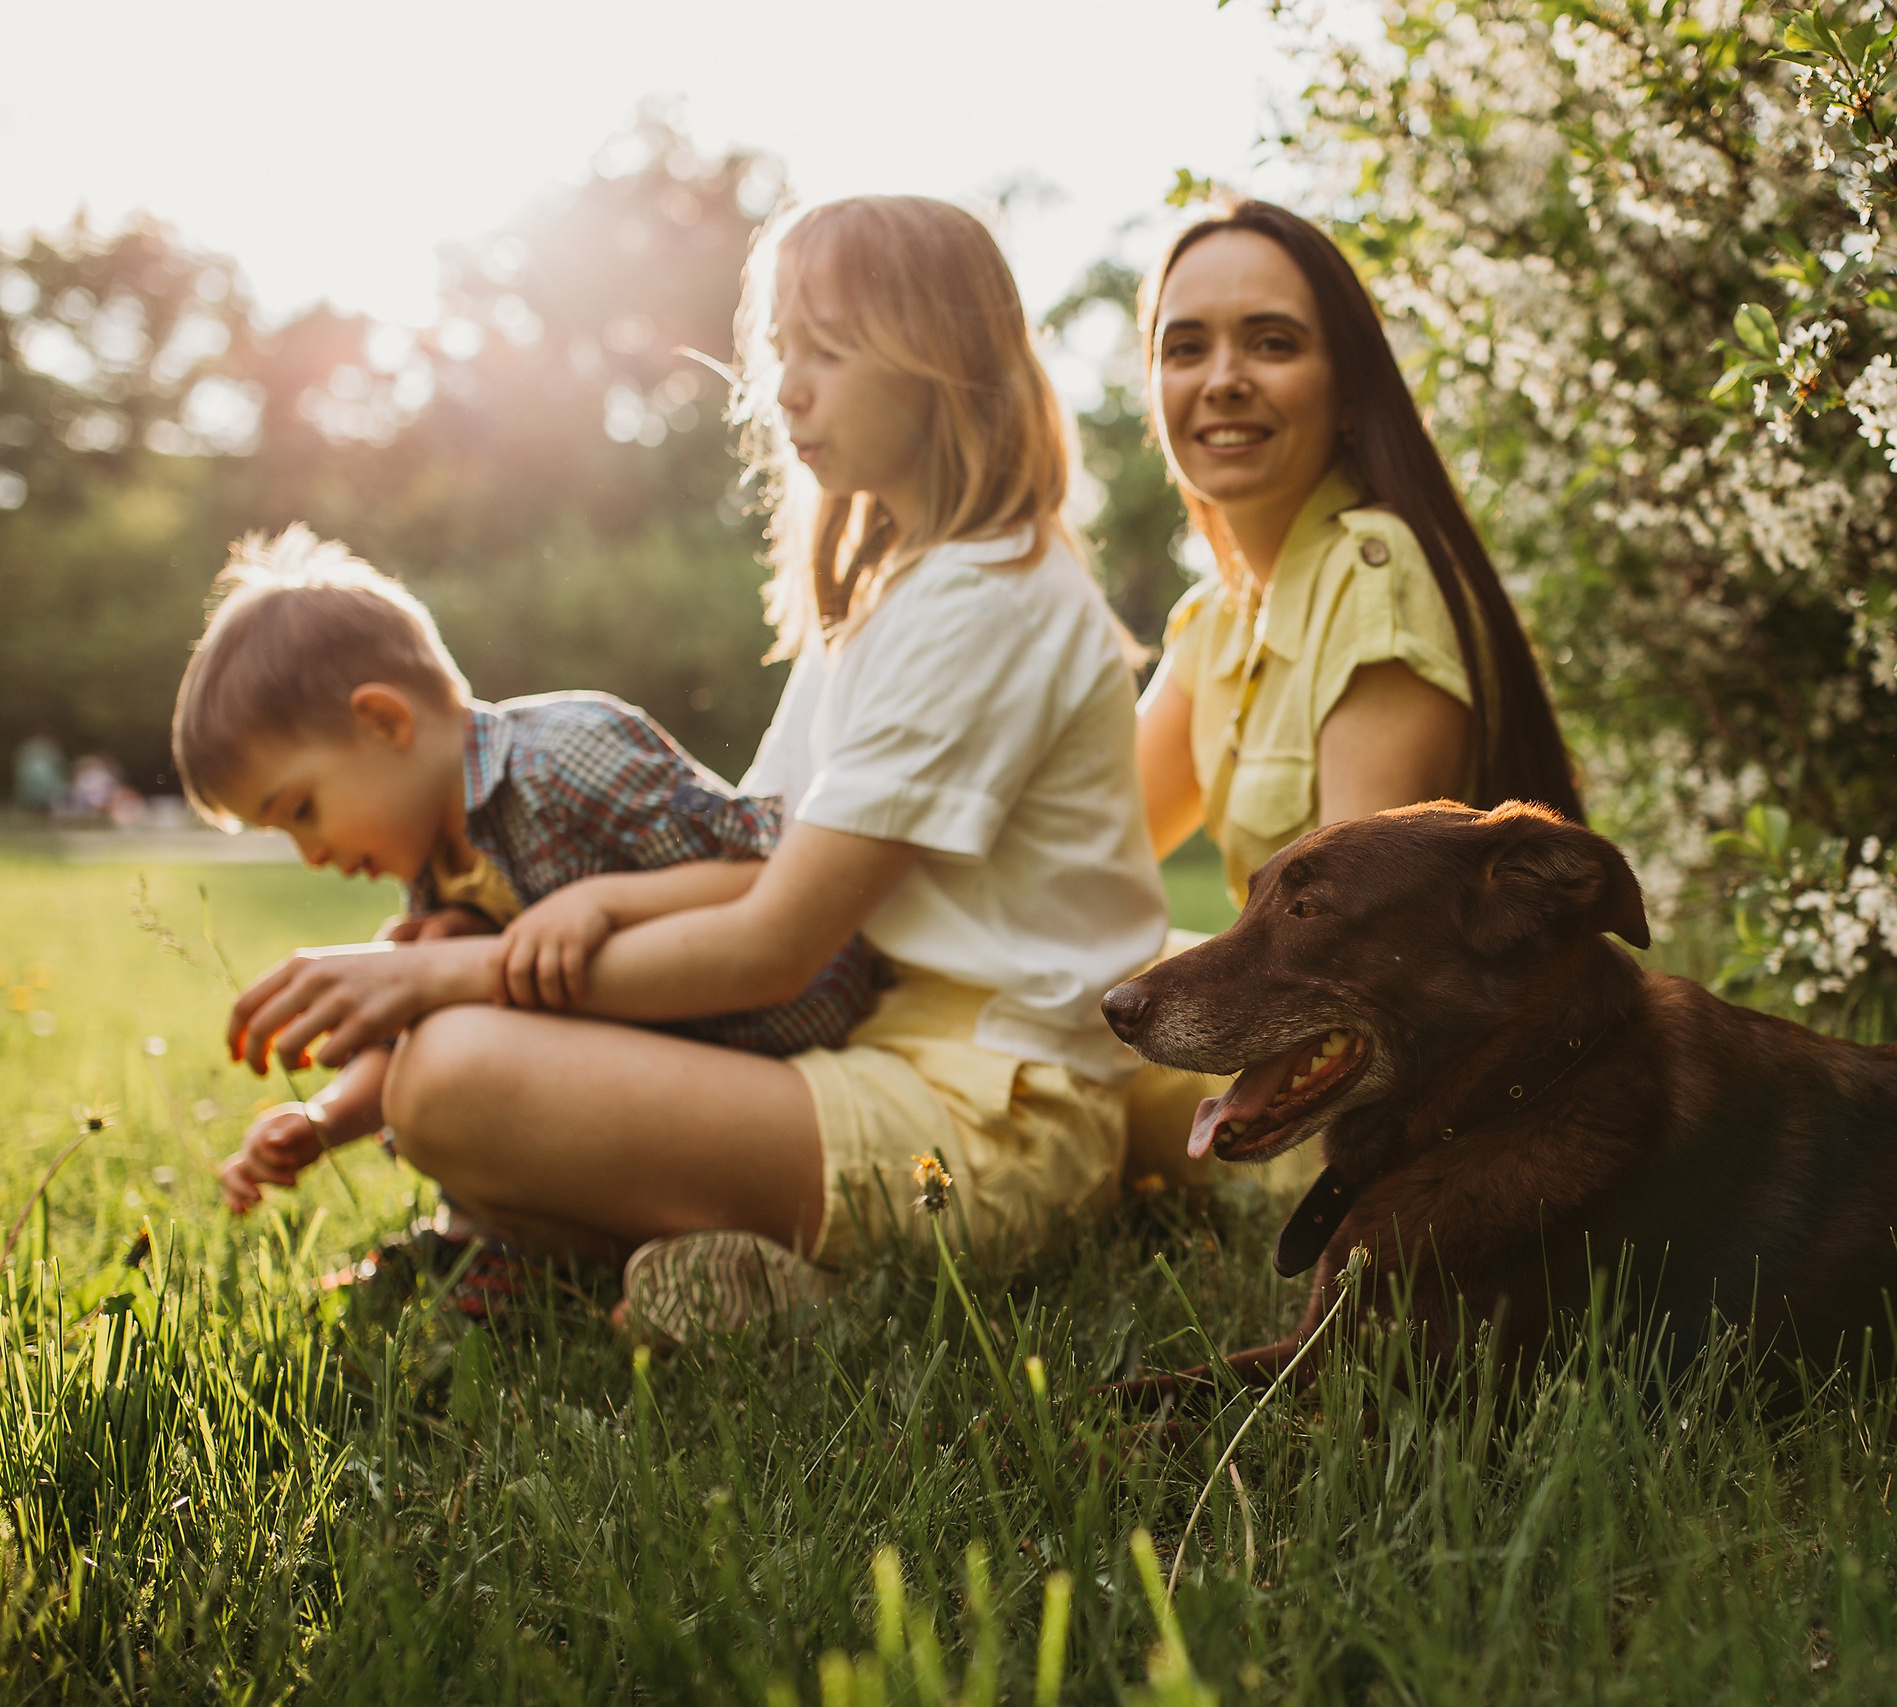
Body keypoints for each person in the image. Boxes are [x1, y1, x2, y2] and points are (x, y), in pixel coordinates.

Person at [223, 196, 1166, 1338]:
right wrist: (515, 938)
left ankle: (826, 1301)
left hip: (994, 1124)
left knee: (451, 1074)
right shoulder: (893, 599)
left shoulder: (985, 601)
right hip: (877, 1062)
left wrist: (440, 979)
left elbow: (776, 942)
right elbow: (758, 850)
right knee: (455, 1061)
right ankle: (729, 1270)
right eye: (780, 354)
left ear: (943, 359)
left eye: (828, 350)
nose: (788, 390)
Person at [168, 526, 876, 1241]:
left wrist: (601, 901)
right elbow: (406, 1034)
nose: (310, 854)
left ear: (383, 721)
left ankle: (534, 1248)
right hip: (661, 1086)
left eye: (302, 810)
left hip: (790, 1045)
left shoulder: (562, 755)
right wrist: (324, 1120)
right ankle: (516, 1248)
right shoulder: (438, 877)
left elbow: (760, 870)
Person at [1122, 200, 1584, 1188]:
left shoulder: (1375, 577)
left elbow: (1351, 960)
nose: (1222, 379)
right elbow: (1087, 835)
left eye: (1273, 343)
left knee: (1034, 1053)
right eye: (1184, 347)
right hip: (1270, 1055)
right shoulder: (1215, 619)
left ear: (1345, 390)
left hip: (1358, 1118)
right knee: (1030, 992)